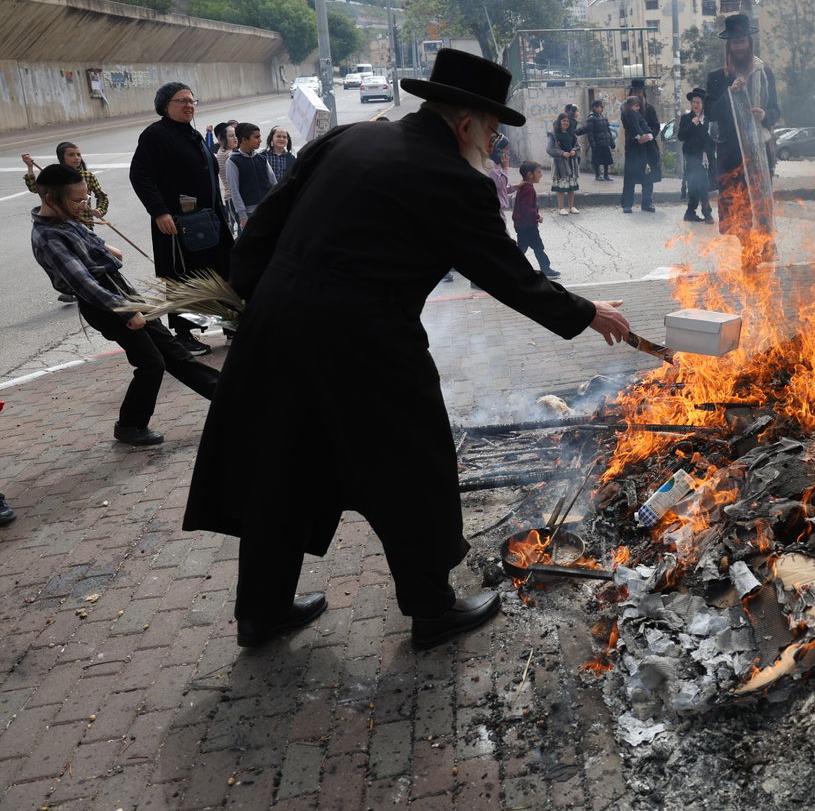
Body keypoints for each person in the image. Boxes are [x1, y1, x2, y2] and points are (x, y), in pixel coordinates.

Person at [185, 50, 629, 650]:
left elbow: (265, 223)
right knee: (413, 468)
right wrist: (587, 312)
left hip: (275, 327)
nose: (493, 143)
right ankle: (432, 609)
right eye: (493, 129)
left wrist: (248, 299)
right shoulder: (454, 179)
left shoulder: (346, 141)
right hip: (366, 345)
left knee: (280, 465)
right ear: (468, 122)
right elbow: (504, 272)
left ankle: (260, 611)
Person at [30, 163, 220, 446]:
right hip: (104, 304)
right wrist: (127, 311)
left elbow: (108, 253)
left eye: (86, 199)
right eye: (77, 200)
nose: (84, 204)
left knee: (173, 353)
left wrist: (99, 242)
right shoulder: (49, 236)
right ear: (50, 199)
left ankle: (230, 398)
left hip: (120, 290)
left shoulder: (69, 220)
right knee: (151, 363)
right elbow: (85, 285)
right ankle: (130, 425)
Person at [129, 82, 234, 357]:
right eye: (181, 101)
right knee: (184, 279)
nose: (189, 105)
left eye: (191, 100)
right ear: (165, 106)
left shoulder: (194, 135)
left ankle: (229, 325)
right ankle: (184, 334)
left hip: (210, 221)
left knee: (220, 272)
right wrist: (159, 212)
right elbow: (140, 175)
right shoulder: (156, 135)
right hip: (178, 224)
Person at [704, 13, 781, 266]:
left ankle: (754, 252)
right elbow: (710, 112)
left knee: (757, 207)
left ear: (749, 42)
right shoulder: (717, 76)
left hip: (759, 151)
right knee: (737, 212)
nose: (739, 46)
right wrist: (730, 93)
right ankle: (748, 250)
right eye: (734, 42)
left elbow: (776, 110)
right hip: (730, 155)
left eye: (742, 41)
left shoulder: (764, 73)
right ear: (729, 46)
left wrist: (765, 113)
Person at [22, 141, 109, 303]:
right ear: (61, 158)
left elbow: (102, 196)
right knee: (69, 258)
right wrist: (29, 167)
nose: (76, 158)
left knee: (87, 257)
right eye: (71, 155)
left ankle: (92, 289)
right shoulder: (55, 178)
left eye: (78, 154)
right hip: (62, 225)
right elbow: (36, 189)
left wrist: (100, 210)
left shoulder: (87, 176)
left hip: (83, 224)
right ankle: (77, 289)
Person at [513, 160, 559, 277]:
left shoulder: (524, 187)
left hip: (521, 224)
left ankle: (512, 268)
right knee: (538, 247)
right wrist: (537, 217)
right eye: (538, 172)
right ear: (530, 174)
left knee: (522, 248)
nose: (541, 174)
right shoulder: (528, 189)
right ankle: (546, 269)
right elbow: (526, 208)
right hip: (528, 225)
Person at [226, 123, 276, 229]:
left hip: (268, 208)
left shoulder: (262, 158)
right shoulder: (233, 161)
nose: (260, 140)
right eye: (256, 137)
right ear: (244, 140)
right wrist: (242, 216)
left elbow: (273, 183)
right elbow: (234, 191)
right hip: (249, 214)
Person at [676, 88, 714, 223]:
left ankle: (690, 212)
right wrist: (692, 124)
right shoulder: (687, 118)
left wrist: (708, 151)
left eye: (698, 102)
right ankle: (707, 213)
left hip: (705, 158)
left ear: (703, 104)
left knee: (700, 184)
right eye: (693, 102)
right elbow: (681, 136)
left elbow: (710, 139)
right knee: (698, 184)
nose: (695, 105)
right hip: (692, 156)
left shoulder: (708, 120)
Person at [620, 95, 659, 213]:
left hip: (647, 147)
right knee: (630, 178)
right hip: (633, 148)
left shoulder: (649, 109)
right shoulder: (626, 112)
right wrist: (638, 137)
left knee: (648, 177)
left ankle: (647, 203)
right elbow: (629, 128)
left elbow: (655, 126)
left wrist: (649, 136)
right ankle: (627, 204)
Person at [546, 112, 581, 215]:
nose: (566, 123)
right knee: (561, 186)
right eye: (564, 121)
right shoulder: (554, 135)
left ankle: (571, 207)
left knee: (571, 185)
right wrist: (562, 153)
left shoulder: (572, 135)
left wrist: (574, 151)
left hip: (571, 163)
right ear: (559, 121)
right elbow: (549, 149)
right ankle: (561, 208)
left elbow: (578, 147)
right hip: (560, 164)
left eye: (567, 121)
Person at [583, 99, 615, 181]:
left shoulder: (603, 117)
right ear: (595, 107)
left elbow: (608, 130)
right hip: (597, 143)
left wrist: (611, 141)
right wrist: (593, 143)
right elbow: (590, 133)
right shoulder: (591, 118)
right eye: (600, 106)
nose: (602, 108)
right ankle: (597, 175)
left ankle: (606, 175)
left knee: (606, 159)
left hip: (605, 142)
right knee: (597, 160)